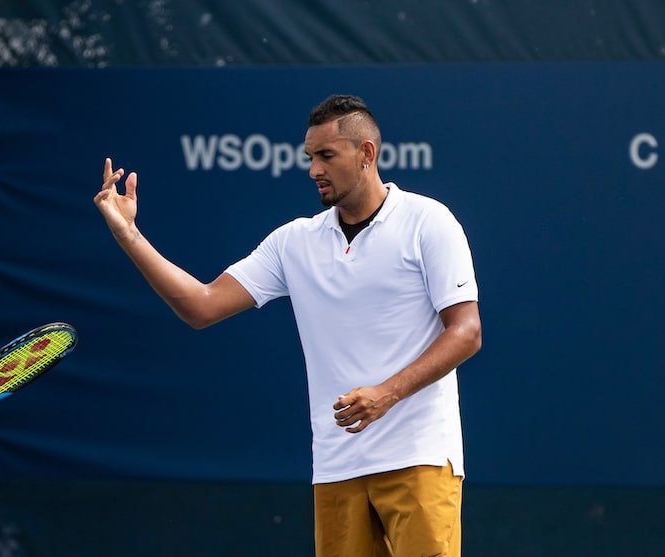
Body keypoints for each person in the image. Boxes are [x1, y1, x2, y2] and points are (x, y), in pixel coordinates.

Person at [94, 94, 482, 557]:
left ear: (366, 155)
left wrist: (387, 392)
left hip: (418, 458)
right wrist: (127, 232)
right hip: (337, 468)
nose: (314, 168)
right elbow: (200, 305)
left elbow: (466, 332)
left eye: (326, 155)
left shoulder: (428, 222)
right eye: (309, 157)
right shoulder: (293, 242)